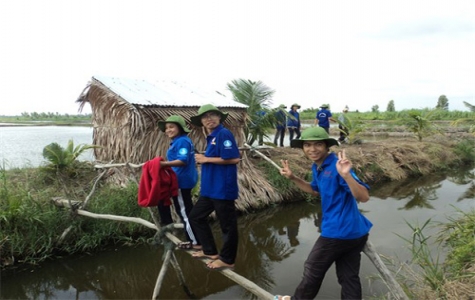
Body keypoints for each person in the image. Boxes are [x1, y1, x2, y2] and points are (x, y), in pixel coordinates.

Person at [275, 126, 372, 300]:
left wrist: (347, 176)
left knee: (312, 269)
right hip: (356, 232)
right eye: (307, 145)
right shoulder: (318, 166)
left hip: (338, 231)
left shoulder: (337, 167)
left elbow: (364, 197)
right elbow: (315, 190)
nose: (312, 149)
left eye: (318, 144)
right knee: (348, 277)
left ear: (327, 146)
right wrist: (293, 178)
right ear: (303, 148)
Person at [188, 104, 240, 270]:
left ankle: (227, 259)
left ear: (219, 118)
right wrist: (204, 158)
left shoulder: (223, 133)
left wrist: (206, 159)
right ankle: (210, 250)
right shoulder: (212, 137)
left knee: (228, 226)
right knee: (196, 216)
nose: (209, 119)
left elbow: (234, 159)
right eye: (205, 117)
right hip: (210, 190)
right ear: (201, 121)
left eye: (212, 115)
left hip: (222, 189)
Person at [157, 115, 200, 250]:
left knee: (185, 212)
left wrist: (164, 164)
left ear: (180, 128)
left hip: (182, 182)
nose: (168, 130)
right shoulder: (178, 141)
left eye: (172, 127)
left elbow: (183, 161)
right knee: (164, 200)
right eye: (167, 128)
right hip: (179, 180)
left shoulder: (182, 141)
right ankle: (167, 224)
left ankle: (194, 242)